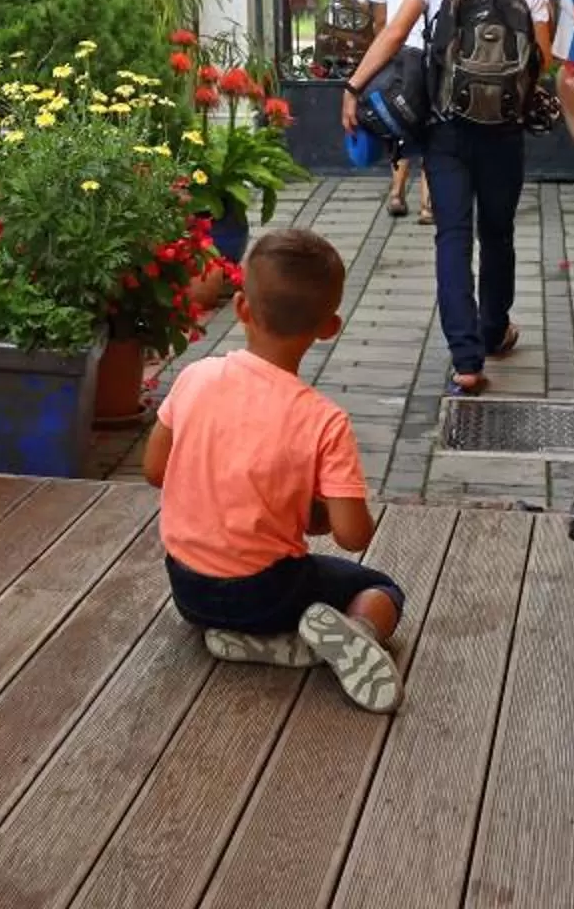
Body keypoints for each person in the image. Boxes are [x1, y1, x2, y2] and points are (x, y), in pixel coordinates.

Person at [142, 227, 404, 713]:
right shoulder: (323, 420)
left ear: (241, 308)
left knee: (274, 590)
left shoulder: (196, 377)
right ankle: (358, 634)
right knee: (382, 589)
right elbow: (352, 535)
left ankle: (263, 645)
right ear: (329, 327)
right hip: (267, 592)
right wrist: (320, 515)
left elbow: (155, 469)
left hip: (189, 592)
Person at [339, 0, 554, 397]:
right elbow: (544, 62)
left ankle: (466, 360)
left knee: (452, 237)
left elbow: (393, 33)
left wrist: (354, 86)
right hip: (505, 131)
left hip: (446, 129)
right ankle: (495, 330)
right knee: (498, 233)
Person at [362, 0, 434, 222]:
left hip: (397, 51)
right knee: (431, 122)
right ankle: (428, 204)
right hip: (429, 51)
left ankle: (396, 192)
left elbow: (378, 20)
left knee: (400, 120)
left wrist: (382, 47)